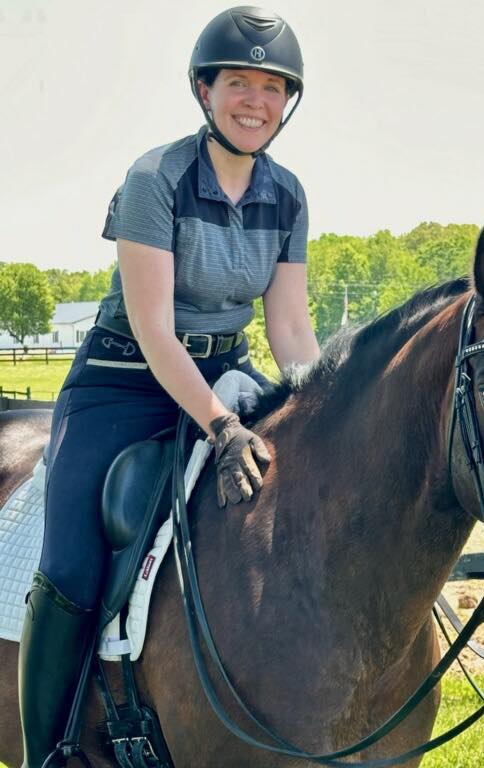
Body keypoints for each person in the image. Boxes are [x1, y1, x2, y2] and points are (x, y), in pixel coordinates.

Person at [17, 7, 320, 766]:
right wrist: (221, 426)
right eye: (239, 84)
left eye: (272, 88)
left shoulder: (288, 196)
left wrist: (319, 403)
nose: (255, 101)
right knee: (72, 563)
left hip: (228, 375)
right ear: (204, 91)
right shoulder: (156, 177)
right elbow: (154, 328)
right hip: (122, 385)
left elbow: (287, 328)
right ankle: (50, 747)